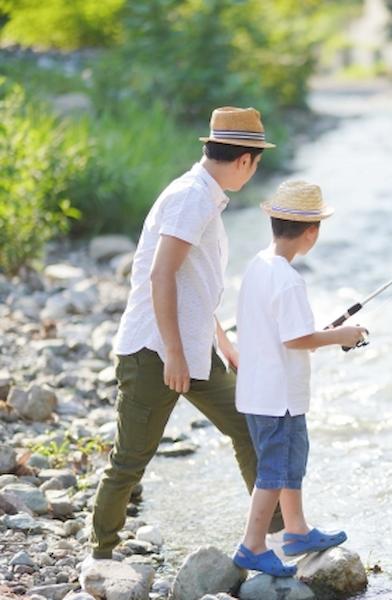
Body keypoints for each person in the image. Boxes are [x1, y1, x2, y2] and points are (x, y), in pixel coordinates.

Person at [89, 106, 284, 560]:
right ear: (244, 160)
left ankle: (272, 538)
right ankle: (99, 555)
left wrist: (222, 340)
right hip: (154, 349)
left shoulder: (204, 196)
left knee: (249, 428)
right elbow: (161, 275)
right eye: (256, 164)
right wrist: (174, 354)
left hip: (192, 348)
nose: (253, 173)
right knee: (130, 459)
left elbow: (192, 284)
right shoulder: (191, 198)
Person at [231, 180, 368, 576]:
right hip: (278, 396)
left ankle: (296, 530)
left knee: (292, 461)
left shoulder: (259, 265)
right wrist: (341, 335)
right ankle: (252, 545)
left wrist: (317, 335)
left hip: (262, 390)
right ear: (312, 231)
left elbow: (284, 332)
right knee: (274, 471)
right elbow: (298, 339)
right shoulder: (289, 279)